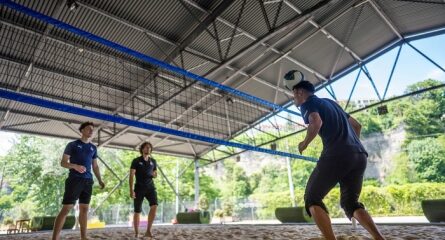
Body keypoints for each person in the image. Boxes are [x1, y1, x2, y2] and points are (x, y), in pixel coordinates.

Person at [292, 80, 385, 240]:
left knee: (312, 198)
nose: (294, 99)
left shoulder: (307, 103)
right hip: (359, 155)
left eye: (294, 95)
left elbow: (316, 122)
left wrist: (304, 143)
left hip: (337, 154)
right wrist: (351, 146)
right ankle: (379, 238)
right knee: (350, 203)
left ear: (300, 92)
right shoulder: (330, 103)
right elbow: (357, 126)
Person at [52, 122, 105, 240]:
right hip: (74, 180)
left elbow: (95, 166)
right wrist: (75, 166)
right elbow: (63, 162)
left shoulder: (93, 147)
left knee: (84, 209)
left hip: (88, 181)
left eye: (92, 129)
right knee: (66, 209)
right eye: (88, 129)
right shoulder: (72, 145)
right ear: (82, 130)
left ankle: (83, 237)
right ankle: (54, 238)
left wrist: (100, 180)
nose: (91, 131)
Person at [130, 142, 158, 238]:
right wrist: (131, 190)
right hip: (139, 188)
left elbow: (155, 173)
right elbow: (131, 175)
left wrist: (154, 174)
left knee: (154, 205)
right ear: (142, 149)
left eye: (150, 148)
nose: (148, 149)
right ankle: (137, 233)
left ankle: (148, 231)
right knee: (137, 211)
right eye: (146, 147)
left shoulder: (153, 161)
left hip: (150, 188)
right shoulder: (136, 160)